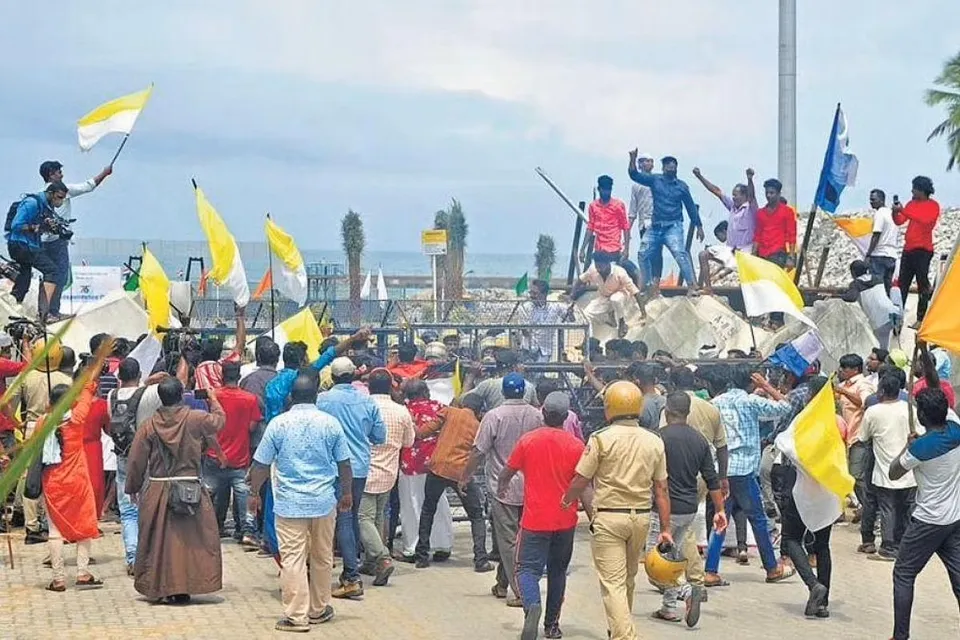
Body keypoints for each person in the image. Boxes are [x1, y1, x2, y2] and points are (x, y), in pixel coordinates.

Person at [561, 381, 673, 640]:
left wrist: (567, 501)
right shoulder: (654, 441)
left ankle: (625, 636)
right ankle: (620, 629)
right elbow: (662, 489)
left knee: (612, 583)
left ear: (609, 407)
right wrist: (666, 528)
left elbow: (581, 478)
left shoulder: (600, 439)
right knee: (628, 578)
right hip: (641, 517)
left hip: (610, 518)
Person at [249, 373, 353, 632]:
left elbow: (261, 464)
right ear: (316, 395)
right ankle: (318, 609)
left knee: (292, 558)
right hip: (323, 501)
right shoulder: (330, 423)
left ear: (291, 397)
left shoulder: (278, 424)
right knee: (322, 556)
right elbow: (344, 463)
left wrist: (254, 493)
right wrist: (347, 493)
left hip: (289, 503)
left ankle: (296, 616)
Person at [124, 378, 226, 604]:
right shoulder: (196, 419)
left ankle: (162, 585)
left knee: (159, 541)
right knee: (192, 541)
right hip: (190, 489)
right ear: (181, 395)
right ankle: (186, 585)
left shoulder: (148, 426)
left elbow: (136, 460)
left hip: (159, 488)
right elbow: (219, 422)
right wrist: (213, 399)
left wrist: (132, 487)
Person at [499, 392, 585, 640]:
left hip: (535, 520)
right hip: (565, 521)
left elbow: (508, 471)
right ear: (566, 416)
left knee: (525, 569)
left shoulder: (528, 441)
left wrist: (501, 486)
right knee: (558, 572)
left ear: (543, 412)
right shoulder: (576, 446)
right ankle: (552, 625)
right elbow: (584, 484)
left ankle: (532, 606)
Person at [705, 366, 794, 586]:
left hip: (722, 469)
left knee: (720, 521)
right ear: (752, 381)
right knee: (758, 520)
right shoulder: (750, 402)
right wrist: (766, 386)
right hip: (744, 469)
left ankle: (710, 570)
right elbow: (786, 407)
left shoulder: (716, 403)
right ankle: (772, 567)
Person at [462, 373, 543, 607]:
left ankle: (519, 591)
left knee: (507, 541)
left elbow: (478, 451)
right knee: (522, 538)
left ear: (504, 392)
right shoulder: (537, 415)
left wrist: (465, 476)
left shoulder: (493, 416)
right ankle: (502, 583)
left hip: (502, 486)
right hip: (530, 487)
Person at [649, 392, 727, 627]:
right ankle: (668, 608)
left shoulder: (658, 438)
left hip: (663, 509)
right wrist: (720, 510)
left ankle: (685, 592)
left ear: (667, 411)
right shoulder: (699, 440)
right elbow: (711, 478)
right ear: (687, 412)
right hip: (689, 508)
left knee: (654, 561)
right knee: (673, 557)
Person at [888, 387, 960, 640]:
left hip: (928, 521)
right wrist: (926, 352)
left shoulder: (920, 448)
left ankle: (900, 636)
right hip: (954, 518)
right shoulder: (955, 429)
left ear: (921, 416)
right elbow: (933, 383)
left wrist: (908, 447)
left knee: (904, 574)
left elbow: (893, 472)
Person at [316, 357, 387, 598]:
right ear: (354, 374)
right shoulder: (367, 401)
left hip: (333, 468)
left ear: (333, 377)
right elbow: (379, 436)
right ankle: (353, 563)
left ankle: (351, 576)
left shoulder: (322, 401)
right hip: (359, 467)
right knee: (352, 517)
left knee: (344, 520)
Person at [771, 376, 835, 619]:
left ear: (810, 396)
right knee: (822, 545)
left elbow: (784, 444)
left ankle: (813, 585)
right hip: (827, 490)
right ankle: (822, 602)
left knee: (791, 538)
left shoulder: (804, 421)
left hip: (801, 487)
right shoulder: (834, 421)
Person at [414, 394, 491, 572]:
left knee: (428, 510)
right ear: (479, 410)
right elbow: (478, 452)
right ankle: (480, 559)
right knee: (476, 515)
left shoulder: (449, 412)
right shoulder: (478, 426)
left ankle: (422, 556)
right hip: (460, 473)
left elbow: (422, 433)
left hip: (438, 467)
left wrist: (412, 422)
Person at [40, 380, 103, 592]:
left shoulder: (43, 423)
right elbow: (87, 395)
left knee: (54, 530)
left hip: (52, 483)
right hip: (77, 481)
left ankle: (58, 579)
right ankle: (82, 573)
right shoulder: (76, 419)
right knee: (84, 525)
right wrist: (89, 378)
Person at [11, 337, 72, 544]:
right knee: (55, 476)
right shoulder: (65, 380)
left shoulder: (25, 377)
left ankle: (31, 525)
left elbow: (9, 404)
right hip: (58, 429)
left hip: (31, 428)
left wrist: (16, 423)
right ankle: (53, 520)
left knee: (29, 477)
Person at [107, 357, 162, 574]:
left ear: (119, 377)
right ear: (139, 375)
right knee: (148, 506)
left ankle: (132, 557)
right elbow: (176, 385)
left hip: (122, 456)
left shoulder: (111, 396)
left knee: (128, 511)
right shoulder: (148, 393)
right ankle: (149, 555)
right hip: (146, 457)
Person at [38, 160, 113, 317]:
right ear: (51, 174)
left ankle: (45, 311)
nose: (62, 175)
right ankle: (52, 311)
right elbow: (89, 186)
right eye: (59, 172)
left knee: (49, 276)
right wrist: (105, 173)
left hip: (43, 241)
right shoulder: (63, 190)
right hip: (57, 241)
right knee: (60, 275)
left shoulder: (41, 194)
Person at [360, 369, 415, 586]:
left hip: (365, 469)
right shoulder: (401, 411)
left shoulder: (363, 406)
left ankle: (382, 558)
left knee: (362, 518)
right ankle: (371, 560)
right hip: (389, 471)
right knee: (378, 517)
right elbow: (409, 442)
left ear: (369, 386)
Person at [626, 150, 703, 295]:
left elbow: (690, 206)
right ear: (663, 168)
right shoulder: (655, 180)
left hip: (673, 226)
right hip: (656, 226)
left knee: (680, 253)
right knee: (643, 254)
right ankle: (649, 285)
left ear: (676, 168)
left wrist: (698, 225)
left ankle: (692, 286)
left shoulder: (681, 186)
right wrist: (632, 159)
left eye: (673, 164)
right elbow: (634, 175)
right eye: (668, 164)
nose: (671, 166)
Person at [860, 374, 919, 561]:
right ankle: (904, 545)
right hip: (909, 468)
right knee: (906, 508)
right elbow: (920, 432)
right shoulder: (910, 408)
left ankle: (888, 546)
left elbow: (863, 437)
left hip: (885, 470)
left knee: (888, 509)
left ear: (882, 391)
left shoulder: (873, 412)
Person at [203, 361, 261, 548]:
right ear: (239, 377)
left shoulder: (213, 397)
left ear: (222, 376)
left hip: (214, 455)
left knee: (212, 494)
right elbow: (252, 426)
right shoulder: (250, 399)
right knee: (243, 495)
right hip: (240, 457)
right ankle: (247, 532)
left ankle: (211, 529)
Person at [398, 381, 454, 564]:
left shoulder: (404, 411)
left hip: (410, 463)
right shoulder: (440, 408)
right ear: (426, 392)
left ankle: (413, 547)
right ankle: (443, 545)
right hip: (435, 463)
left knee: (411, 505)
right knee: (438, 503)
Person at [6, 181, 69, 319]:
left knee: (24, 277)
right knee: (52, 271)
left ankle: (13, 306)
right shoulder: (32, 203)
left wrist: (49, 227)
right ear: (51, 193)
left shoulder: (45, 207)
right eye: (59, 197)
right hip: (21, 245)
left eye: (63, 198)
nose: (61, 201)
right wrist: (35, 228)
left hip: (27, 245)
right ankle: (45, 314)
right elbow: (16, 225)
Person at [892, 176, 940, 327]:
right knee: (902, 285)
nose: (912, 191)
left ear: (922, 190)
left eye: (914, 188)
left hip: (923, 250)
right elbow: (900, 221)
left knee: (922, 284)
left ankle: (920, 318)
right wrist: (896, 212)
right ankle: (898, 317)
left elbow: (925, 220)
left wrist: (904, 211)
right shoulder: (911, 204)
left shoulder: (933, 205)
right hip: (908, 249)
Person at [570, 253, 646, 342]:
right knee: (586, 315)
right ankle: (589, 341)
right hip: (604, 297)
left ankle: (622, 323)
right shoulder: (593, 270)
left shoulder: (619, 272)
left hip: (621, 295)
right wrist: (572, 296)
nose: (598, 269)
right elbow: (580, 280)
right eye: (597, 266)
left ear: (607, 263)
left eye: (600, 266)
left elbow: (635, 291)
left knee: (615, 299)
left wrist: (643, 312)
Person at [579, 174, 637, 282]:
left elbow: (625, 227)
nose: (606, 192)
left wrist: (626, 250)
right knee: (590, 275)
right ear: (599, 189)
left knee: (633, 272)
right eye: (604, 190)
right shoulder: (593, 206)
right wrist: (582, 249)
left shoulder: (618, 205)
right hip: (600, 249)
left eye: (608, 190)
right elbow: (590, 228)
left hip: (614, 248)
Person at [692, 165, 758, 255]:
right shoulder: (732, 207)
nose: (733, 198)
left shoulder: (750, 209)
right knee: (704, 255)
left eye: (736, 195)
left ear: (744, 196)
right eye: (733, 195)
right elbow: (716, 191)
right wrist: (699, 176)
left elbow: (752, 196)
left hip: (745, 252)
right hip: (730, 250)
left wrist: (749, 179)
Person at [841, 260, 898, 349]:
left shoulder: (856, 284)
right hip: (893, 313)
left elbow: (851, 297)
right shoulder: (877, 278)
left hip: (880, 319)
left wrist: (837, 296)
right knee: (885, 341)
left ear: (853, 273)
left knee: (880, 349)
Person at [461, 349, 537, 411]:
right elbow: (536, 408)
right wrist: (520, 377)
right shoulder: (529, 386)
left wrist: (472, 375)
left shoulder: (489, 384)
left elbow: (462, 399)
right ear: (515, 366)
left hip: (494, 423)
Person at [194, 306, 246, 390]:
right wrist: (240, 317)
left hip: (202, 402)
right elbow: (240, 345)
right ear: (219, 353)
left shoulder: (197, 370)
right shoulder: (223, 366)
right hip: (222, 400)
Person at [629, 152, 659, 288]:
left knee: (657, 253)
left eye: (651, 161)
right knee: (645, 253)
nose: (650, 164)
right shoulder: (636, 185)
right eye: (647, 161)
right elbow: (633, 209)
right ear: (640, 164)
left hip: (658, 222)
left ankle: (655, 284)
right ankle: (647, 283)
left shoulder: (657, 181)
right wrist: (627, 229)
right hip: (644, 224)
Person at [523, 279, 568, 362]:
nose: (531, 296)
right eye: (531, 292)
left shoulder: (555, 307)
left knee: (539, 373)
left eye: (535, 293)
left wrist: (570, 310)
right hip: (528, 349)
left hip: (545, 350)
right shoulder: (526, 307)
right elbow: (524, 331)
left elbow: (570, 319)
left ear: (544, 294)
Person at [864, 188, 899, 294]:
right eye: (870, 200)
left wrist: (868, 254)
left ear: (881, 200)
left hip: (879, 255)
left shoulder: (880, 213)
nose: (871, 202)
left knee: (877, 289)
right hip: (891, 256)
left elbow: (876, 235)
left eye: (873, 199)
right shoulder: (892, 214)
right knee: (887, 288)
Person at [697, 222, 739, 290]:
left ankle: (702, 285)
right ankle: (700, 283)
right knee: (704, 256)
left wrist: (719, 276)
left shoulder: (735, 242)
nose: (717, 239)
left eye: (717, 236)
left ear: (724, 231)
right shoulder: (731, 242)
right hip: (733, 259)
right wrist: (716, 271)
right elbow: (727, 261)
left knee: (704, 254)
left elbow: (732, 263)